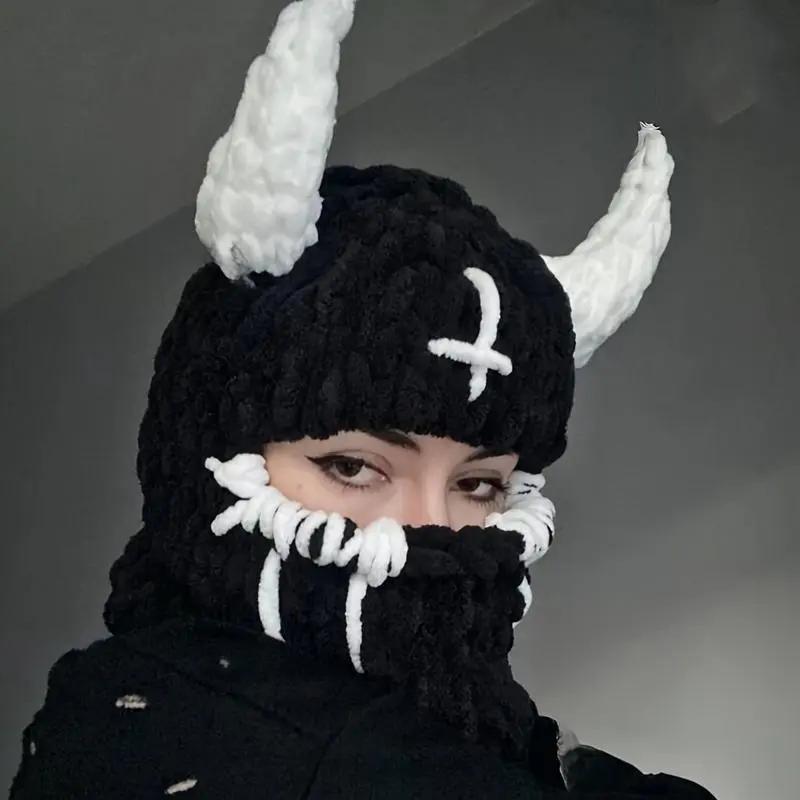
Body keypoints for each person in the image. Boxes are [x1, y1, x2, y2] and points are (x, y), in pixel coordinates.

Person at [9, 0, 716, 798]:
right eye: (351, 466)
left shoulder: (493, 735)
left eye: (479, 485)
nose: (428, 531)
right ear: (203, 448)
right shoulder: (187, 741)